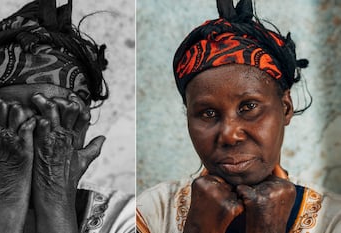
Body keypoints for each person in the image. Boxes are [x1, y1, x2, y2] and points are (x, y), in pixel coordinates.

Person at [0, 0, 134, 232]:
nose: (30, 134)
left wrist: (55, 196)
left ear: (81, 126)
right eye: (11, 117)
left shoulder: (131, 219)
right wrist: (7, 202)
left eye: (50, 116)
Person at [136, 0, 341, 232]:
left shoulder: (331, 220)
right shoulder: (151, 213)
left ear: (285, 107)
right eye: (208, 113)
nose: (229, 134)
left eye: (248, 107)